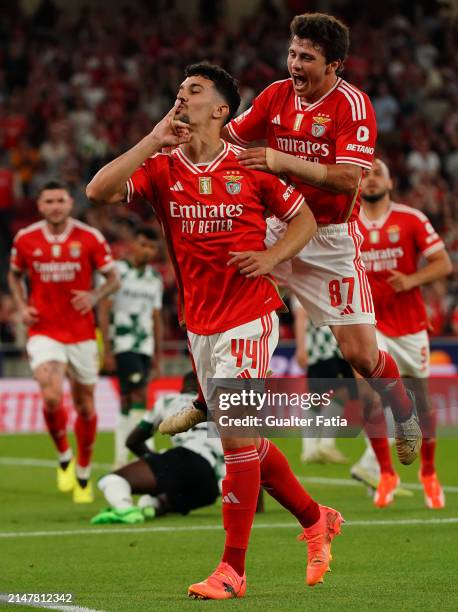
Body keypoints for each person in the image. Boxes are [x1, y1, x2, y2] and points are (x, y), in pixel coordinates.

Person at [86, 62, 344, 600]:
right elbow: (98, 191)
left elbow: (306, 221)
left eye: (194, 91)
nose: (182, 97)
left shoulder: (250, 166)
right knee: (246, 440)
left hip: (250, 316)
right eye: (179, 90)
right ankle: (315, 517)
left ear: (222, 109)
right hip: (199, 325)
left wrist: (271, 255)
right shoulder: (162, 169)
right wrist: (152, 138)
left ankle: (233, 570)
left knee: (232, 441)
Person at [221, 12, 422, 465]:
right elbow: (229, 138)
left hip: (330, 239)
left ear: (334, 65)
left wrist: (280, 160)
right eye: (292, 53)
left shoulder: (352, 106)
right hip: (276, 224)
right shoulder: (275, 95)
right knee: (225, 291)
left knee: (361, 354)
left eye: (306, 57)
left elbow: (349, 177)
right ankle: (204, 398)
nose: (294, 63)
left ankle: (405, 411)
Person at [8, 180, 120, 503]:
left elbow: (113, 279)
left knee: (85, 406)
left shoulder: (89, 237)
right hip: (44, 330)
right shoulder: (26, 239)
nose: (55, 206)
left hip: (82, 334)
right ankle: (63, 457)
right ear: (40, 205)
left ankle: (83, 471)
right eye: (49, 201)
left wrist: (94, 294)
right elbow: (14, 274)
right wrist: (20, 305)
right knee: (52, 395)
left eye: (60, 200)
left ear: (70, 203)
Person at [351, 159, 452, 508]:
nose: (371, 179)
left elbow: (443, 263)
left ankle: (428, 472)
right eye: (364, 174)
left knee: (421, 400)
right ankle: (385, 473)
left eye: (378, 173)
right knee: (367, 397)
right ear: (357, 183)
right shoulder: (346, 222)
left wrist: (410, 280)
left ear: (391, 182)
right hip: (367, 323)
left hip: (409, 325)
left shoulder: (411, 219)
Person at [91, 372, 223, 524]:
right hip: (210, 487)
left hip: (187, 458)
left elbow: (133, 441)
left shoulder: (171, 400)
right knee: (155, 499)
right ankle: (152, 507)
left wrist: (152, 459)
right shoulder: (223, 407)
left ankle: (124, 509)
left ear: (183, 388)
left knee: (111, 480)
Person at [98, 225, 163, 468]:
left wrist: (158, 354)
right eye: (144, 245)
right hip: (122, 343)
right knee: (139, 394)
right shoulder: (117, 272)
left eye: (152, 248)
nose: (147, 251)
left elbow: (156, 317)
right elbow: (104, 309)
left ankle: (120, 458)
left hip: (144, 345)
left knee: (127, 399)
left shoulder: (154, 278)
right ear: (133, 245)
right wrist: (106, 350)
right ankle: (147, 454)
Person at [291, 295, 351, 464]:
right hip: (322, 348)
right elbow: (301, 315)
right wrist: (301, 347)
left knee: (340, 392)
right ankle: (313, 447)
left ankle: (321, 446)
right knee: (318, 396)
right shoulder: (306, 282)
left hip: (339, 346)